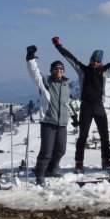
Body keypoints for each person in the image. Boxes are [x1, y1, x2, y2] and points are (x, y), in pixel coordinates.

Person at [52, 36, 110, 172]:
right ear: (90, 60)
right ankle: (79, 162)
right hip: (86, 106)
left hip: (99, 106)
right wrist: (58, 45)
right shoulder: (82, 69)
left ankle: (106, 161)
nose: (95, 63)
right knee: (83, 136)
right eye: (93, 60)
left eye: (97, 61)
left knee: (105, 135)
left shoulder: (105, 70)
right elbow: (69, 57)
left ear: (100, 62)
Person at [25, 45, 71, 186]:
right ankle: (40, 175)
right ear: (52, 70)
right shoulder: (45, 82)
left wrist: (72, 117)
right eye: (56, 69)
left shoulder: (65, 85)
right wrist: (31, 57)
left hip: (62, 123)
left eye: (61, 69)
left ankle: (51, 169)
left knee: (61, 150)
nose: (59, 71)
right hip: (48, 122)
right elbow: (34, 73)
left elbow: (66, 103)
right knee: (46, 152)